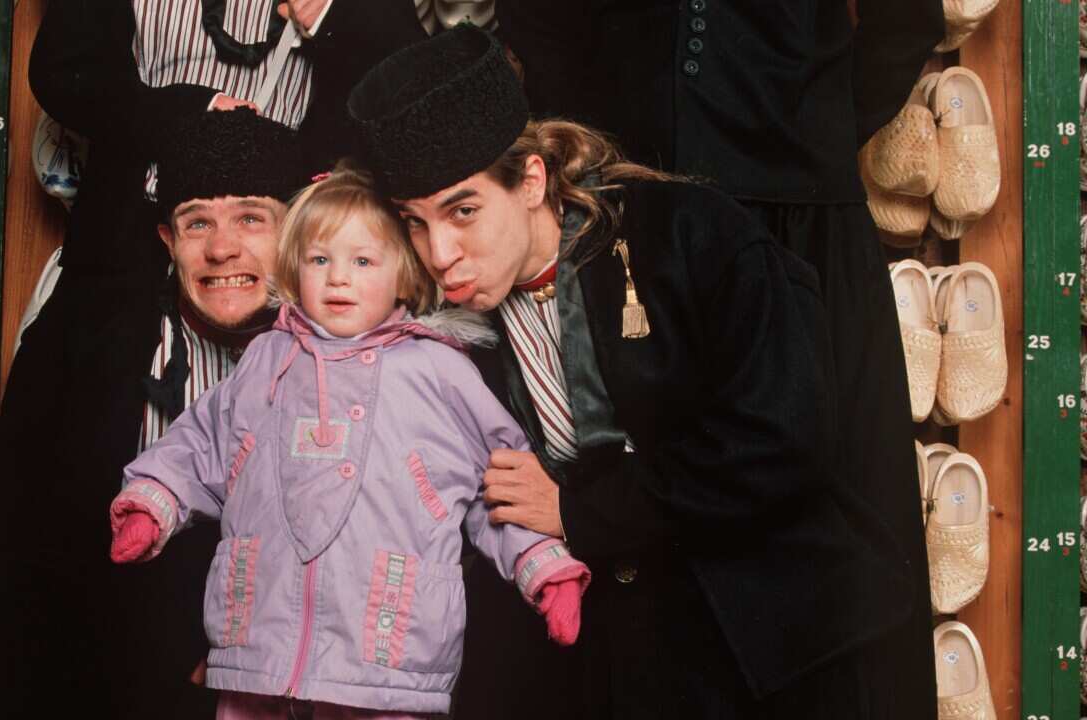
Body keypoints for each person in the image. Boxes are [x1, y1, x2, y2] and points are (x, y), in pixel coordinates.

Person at [347, 25, 925, 718]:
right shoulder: (443, 333)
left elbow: (783, 436)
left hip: (765, 654)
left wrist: (577, 510)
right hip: (615, 662)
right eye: (414, 223)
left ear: (531, 180)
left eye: (463, 211)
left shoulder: (687, 234)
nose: (440, 252)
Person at [106, 168, 590, 719]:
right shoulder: (268, 359)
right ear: (294, 269)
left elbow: (501, 486)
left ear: (404, 275)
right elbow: (201, 444)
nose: (339, 279)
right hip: (258, 644)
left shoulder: (440, 372)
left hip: (387, 648)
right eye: (320, 260)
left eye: (362, 261)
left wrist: (545, 569)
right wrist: (151, 502)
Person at [0, 109, 307, 718]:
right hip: (78, 631)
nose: (223, 248)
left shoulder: (336, 360)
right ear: (168, 242)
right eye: (197, 223)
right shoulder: (94, 322)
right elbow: (5, 448)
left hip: (235, 663)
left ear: (296, 233)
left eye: (251, 218)